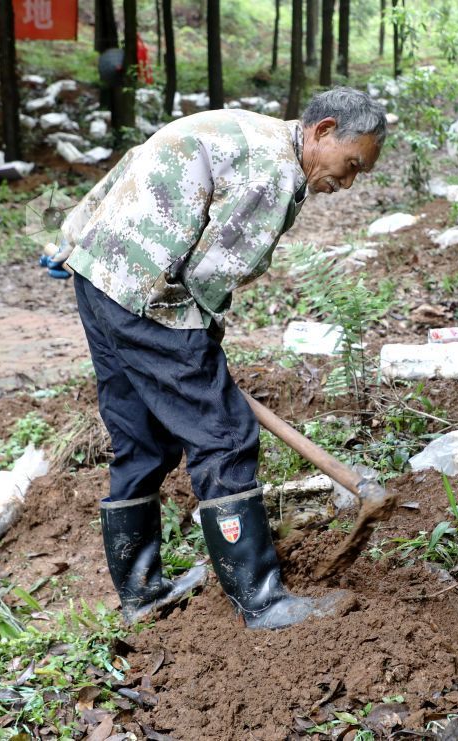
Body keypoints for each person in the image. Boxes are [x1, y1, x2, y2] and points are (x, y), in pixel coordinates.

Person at [45, 88, 386, 629]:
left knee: (141, 438)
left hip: (99, 274)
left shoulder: (245, 129)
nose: (345, 183)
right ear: (323, 130)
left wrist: (73, 234)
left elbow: (137, 158)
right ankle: (264, 603)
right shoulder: (273, 173)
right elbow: (212, 273)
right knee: (223, 434)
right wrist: (201, 344)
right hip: (148, 296)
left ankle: (142, 594)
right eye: (350, 166)